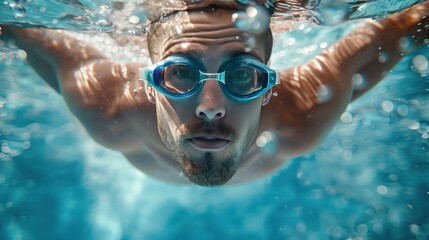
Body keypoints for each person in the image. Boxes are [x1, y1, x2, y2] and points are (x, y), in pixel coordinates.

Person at [1, 1, 428, 186]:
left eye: (243, 76)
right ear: (150, 86)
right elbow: (18, 32)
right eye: (181, 74)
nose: (210, 108)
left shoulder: (301, 115)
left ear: (267, 89)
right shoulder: (106, 106)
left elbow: (408, 22)